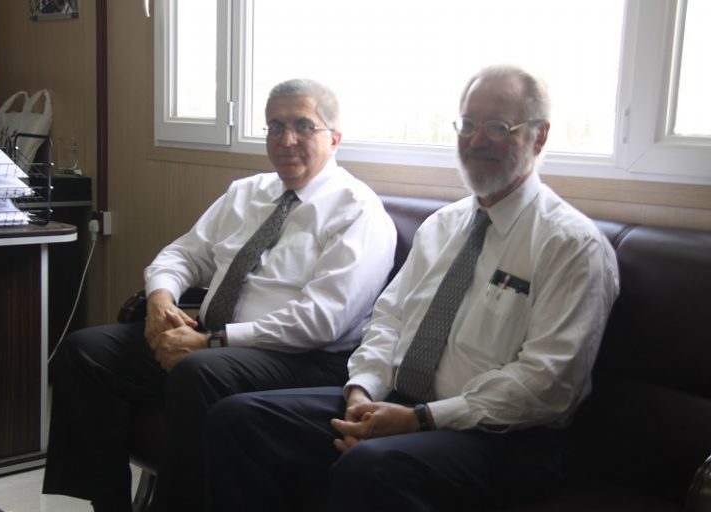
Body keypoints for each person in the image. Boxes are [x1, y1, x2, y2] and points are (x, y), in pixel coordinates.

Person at [204, 65, 620, 511]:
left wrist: (421, 420)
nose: (477, 140)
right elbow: (389, 319)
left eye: (498, 127)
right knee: (238, 420)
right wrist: (362, 392)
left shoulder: (571, 245)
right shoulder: (442, 226)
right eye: (468, 124)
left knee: (369, 466)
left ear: (539, 137)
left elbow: (548, 383)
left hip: (503, 436)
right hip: (401, 403)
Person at [42, 78, 397, 512]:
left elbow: (322, 320)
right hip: (214, 340)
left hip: (302, 358)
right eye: (275, 126)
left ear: (334, 138)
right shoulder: (247, 193)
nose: (286, 140)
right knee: (85, 351)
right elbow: (184, 254)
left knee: (197, 370)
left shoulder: (357, 210)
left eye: (303, 126)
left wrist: (212, 342)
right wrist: (160, 300)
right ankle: (109, 505)